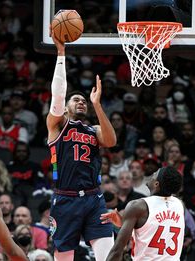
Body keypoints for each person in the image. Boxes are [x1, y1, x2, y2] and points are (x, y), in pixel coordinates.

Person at [46, 26, 117, 261]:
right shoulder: (57, 125)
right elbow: (58, 96)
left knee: (108, 256)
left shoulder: (93, 130)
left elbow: (111, 141)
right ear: (66, 107)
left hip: (93, 198)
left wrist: (97, 105)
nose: (81, 102)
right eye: (76, 100)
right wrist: (61, 54)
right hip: (65, 198)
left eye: (84, 101)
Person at [101, 166, 184, 261]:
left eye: (155, 173)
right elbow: (157, 229)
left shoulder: (138, 206)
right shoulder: (179, 205)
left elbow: (117, 250)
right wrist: (123, 223)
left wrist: (128, 222)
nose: (152, 174)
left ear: (156, 184)